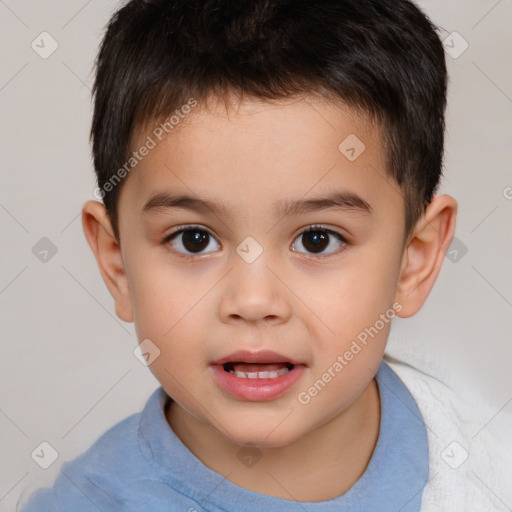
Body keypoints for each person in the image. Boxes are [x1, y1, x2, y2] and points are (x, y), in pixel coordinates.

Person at [19, 0, 510, 510]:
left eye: (318, 239)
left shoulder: (489, 466)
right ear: (116, 262)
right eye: (194, 240)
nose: (253, 301)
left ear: (414, 259)